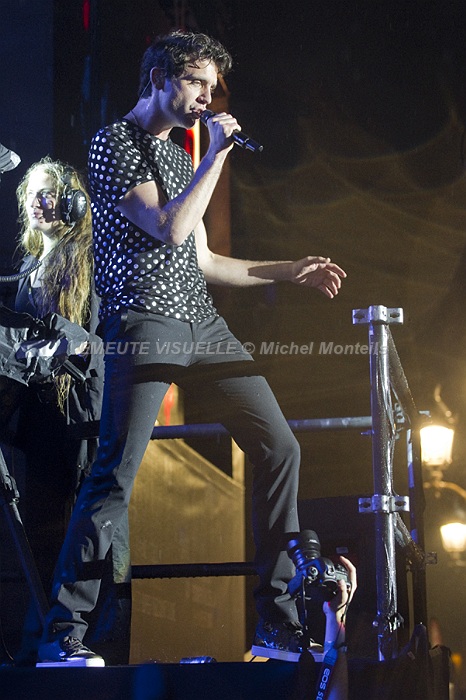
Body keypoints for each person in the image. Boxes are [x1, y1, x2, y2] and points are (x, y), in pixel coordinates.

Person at [37, 30, 347, 666]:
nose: (207, 97)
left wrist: (289, 271)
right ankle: (62, 633)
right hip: (143, 321)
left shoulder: (183, 159)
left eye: (212, 87)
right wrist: (216, 158)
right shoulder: (113, 143)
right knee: (116, 473)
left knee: (280, 447)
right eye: (197, 82)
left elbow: (204, 261)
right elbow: (170, 226)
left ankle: (277, 623)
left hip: (203, 326)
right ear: (158, 78)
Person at [9, 157, 130, 664]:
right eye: (32, 194)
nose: (39, 203)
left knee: (93, 528)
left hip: (84, 414)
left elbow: (112, 340)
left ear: (74, 202)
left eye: (49, 193)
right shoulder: (25, 271)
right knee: (39, 530)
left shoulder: (92, 258)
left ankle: (91, 640)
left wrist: (77, 344)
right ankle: (40, 639)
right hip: (38, 418)